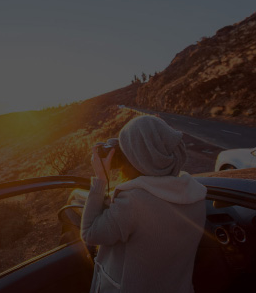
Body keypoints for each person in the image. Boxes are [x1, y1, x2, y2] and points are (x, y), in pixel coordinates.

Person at [81, 115, 207, 293]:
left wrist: (101, 179)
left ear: (137, 158)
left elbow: (89, 233)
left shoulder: (133, 203)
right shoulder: (197, 194)